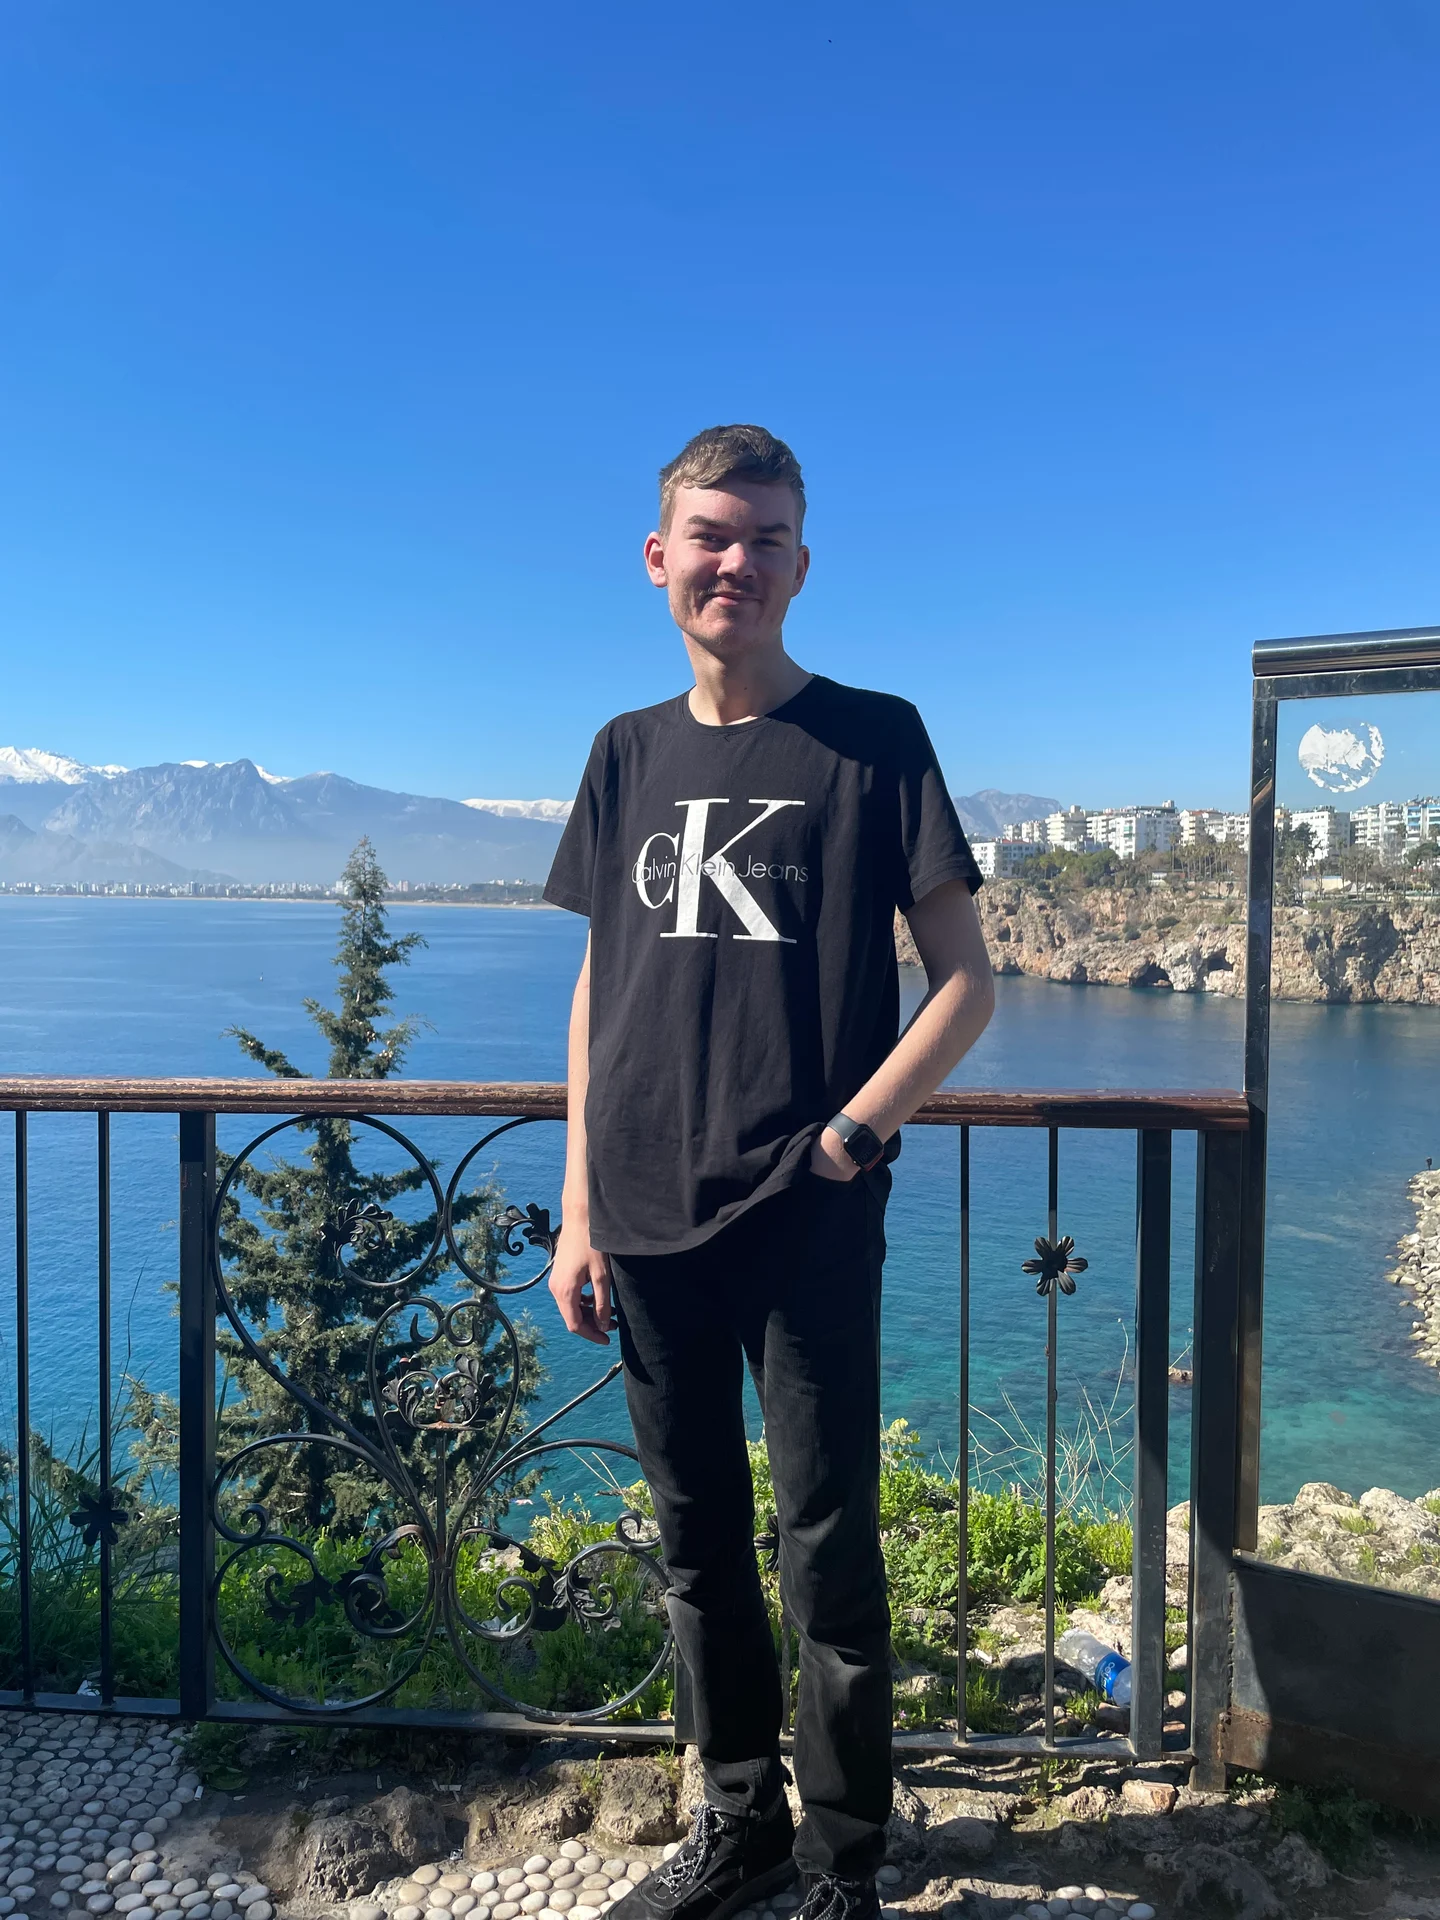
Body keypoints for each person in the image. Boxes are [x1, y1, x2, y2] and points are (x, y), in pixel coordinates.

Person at [543, 425, 994, 1920]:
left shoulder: (875, 739)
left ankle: (843, 1861)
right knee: (693, 1545)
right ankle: (737, 1822)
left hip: (808, 1217)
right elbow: (602, 986)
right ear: (658, 557)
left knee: (827, 1544)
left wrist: (853, 1138)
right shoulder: (624, 751)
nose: (736, 561)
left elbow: (966, 985)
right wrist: (580, 1209)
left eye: (766, 538)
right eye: (711, 534)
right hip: (645, 1216)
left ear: (803, 563)